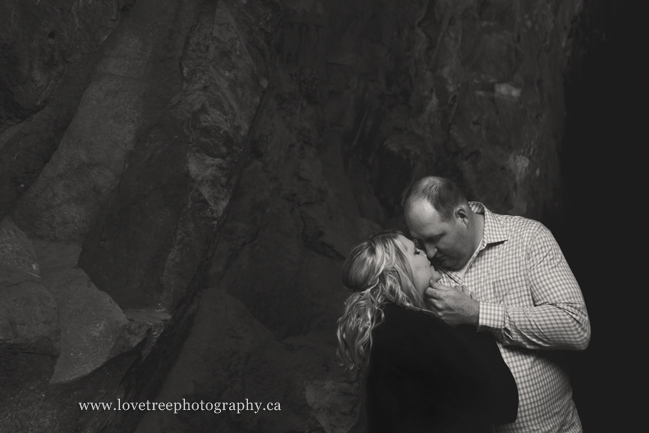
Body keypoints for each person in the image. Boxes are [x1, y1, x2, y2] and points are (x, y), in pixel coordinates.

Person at [403, 176, 591, 432]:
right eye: (420, 242)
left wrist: (478, 313)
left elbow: (575, 326)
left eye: (436, 238)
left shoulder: (528, 238)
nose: (430, 252)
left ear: (462, 216)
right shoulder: (423, 269)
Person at [337, 231, 518, 433]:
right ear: (396, 273)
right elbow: (503, 404)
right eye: (415, 252)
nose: (427, 254)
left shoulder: (382, 325)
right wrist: (469, 320)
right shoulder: (411, 328)